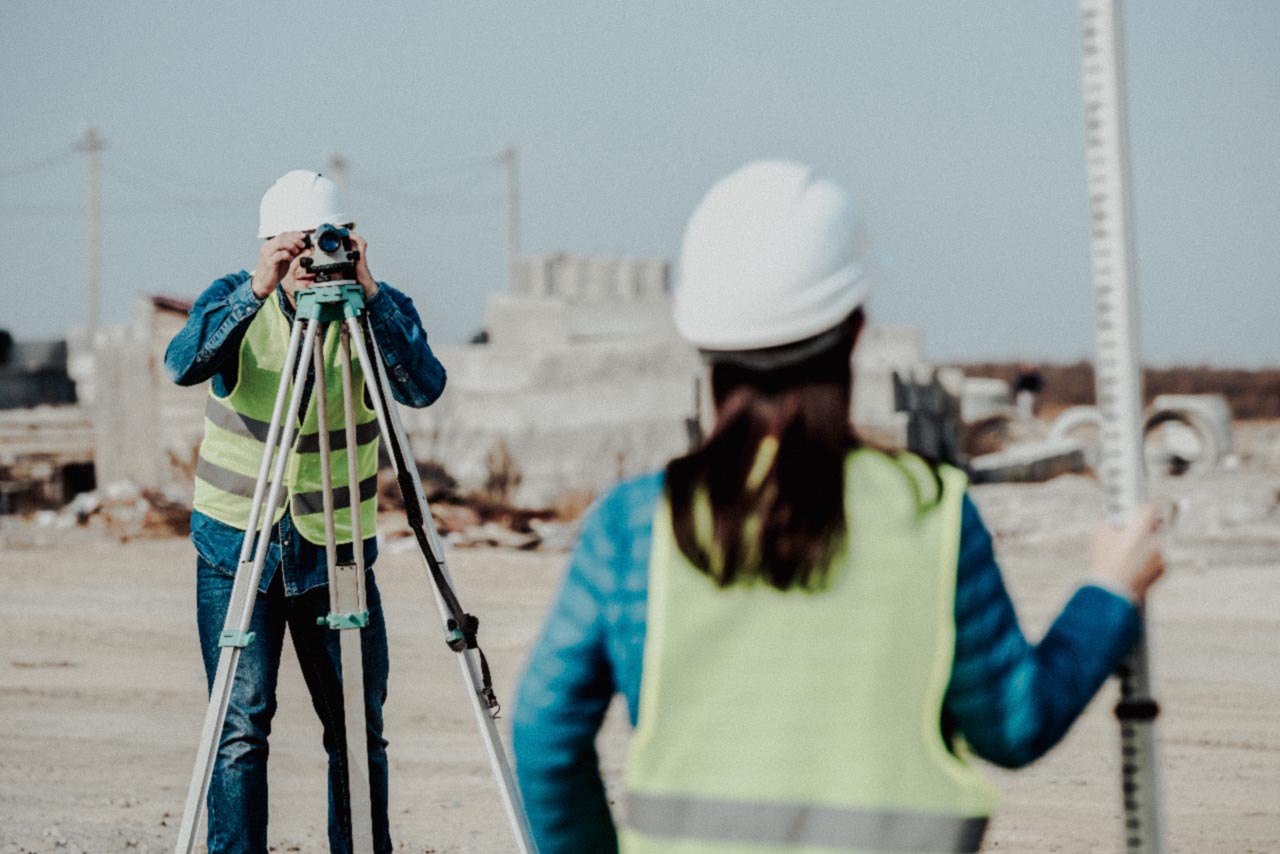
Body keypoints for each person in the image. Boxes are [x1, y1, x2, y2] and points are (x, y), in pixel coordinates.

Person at [511, 160, 1164, 854]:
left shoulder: (636, 524)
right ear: (853, 332)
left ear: (704, 342)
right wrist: (1109, 594)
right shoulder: (931, 513)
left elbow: (543, 731)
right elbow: (1014, 723)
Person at [165, 170, 447, 854]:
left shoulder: (372, 310)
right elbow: (183, 363)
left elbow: (423, 387)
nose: (311, 264)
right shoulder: (236, 300)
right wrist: (258, 287)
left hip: (336, 554)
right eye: (296, 250)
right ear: (269, 247)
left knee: (356, 729)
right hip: (238, 549)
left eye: (326, 245)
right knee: (238, 732)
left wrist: (371, 293)